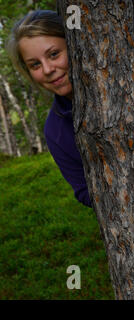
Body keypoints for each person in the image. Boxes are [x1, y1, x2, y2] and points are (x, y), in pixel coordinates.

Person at [7, 10, 92, 207]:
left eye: (54, 54)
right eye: (35, 64)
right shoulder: (55, 131)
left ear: (74, 44)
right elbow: (83, 190)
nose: (47, 70)